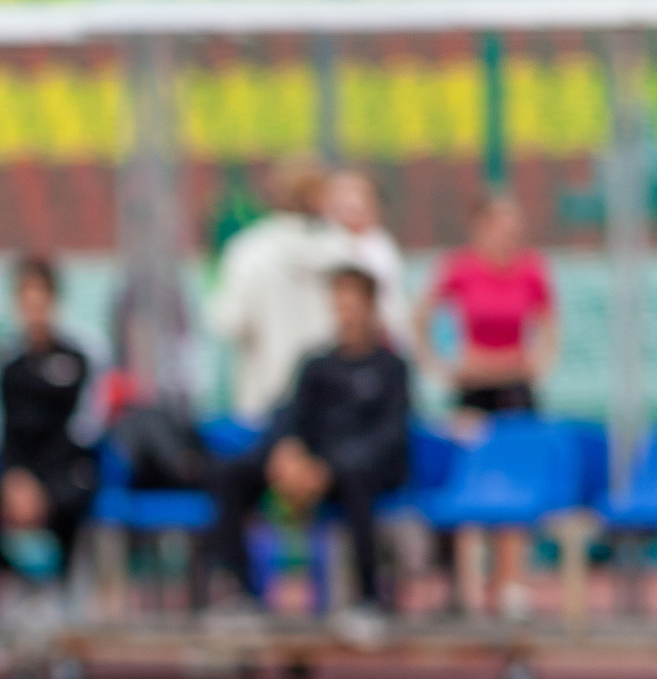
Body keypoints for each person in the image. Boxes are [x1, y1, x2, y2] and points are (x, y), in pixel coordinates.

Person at [206, 265, 411, 647]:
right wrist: (286, 454)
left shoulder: (392, 368)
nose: (345, 315)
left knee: (355, 476)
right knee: (231, 473)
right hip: (311, 469)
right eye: (339, 306)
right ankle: (241, 596)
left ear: (370, 308)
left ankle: (367, 601)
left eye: (352, 306)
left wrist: (328, 468)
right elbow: (291, 416)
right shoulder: (316, 364)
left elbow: (390, 436)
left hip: (362, 473)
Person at [411, 191, 558, 617]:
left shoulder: (532, 269)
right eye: (501, 224)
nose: (510, 234)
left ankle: (510, 583)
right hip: (473, 390)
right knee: (469, 481)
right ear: (481, 227)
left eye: (516, 226)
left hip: (515, 390)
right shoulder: (459, 269)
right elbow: (421, 318)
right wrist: (440, 365)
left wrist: (536, 363)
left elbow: (548, 326)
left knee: (514, 483)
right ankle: (467, 588)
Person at [0, 256, 105, 612]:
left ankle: (63, 591)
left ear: (54, 300)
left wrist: (41, 486)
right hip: (17, 474)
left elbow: (86, 427)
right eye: (26, 298)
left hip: (65, 472)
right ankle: (18, 576)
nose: (34, 307)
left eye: (41, 297)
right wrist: (15, 480)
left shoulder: (82, 354)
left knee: (73, 500)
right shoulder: (3, 359)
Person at [207, 157, 344, 426]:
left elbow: (228, 323)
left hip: (263, 401)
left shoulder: (249, 251)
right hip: (334, 403)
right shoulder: (343, 252)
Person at [321, 169, 409, 347]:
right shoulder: (322, 245)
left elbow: (393, 302)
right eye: (343, 194)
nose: (352, 202)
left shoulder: (382, 246)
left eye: (360, 195)